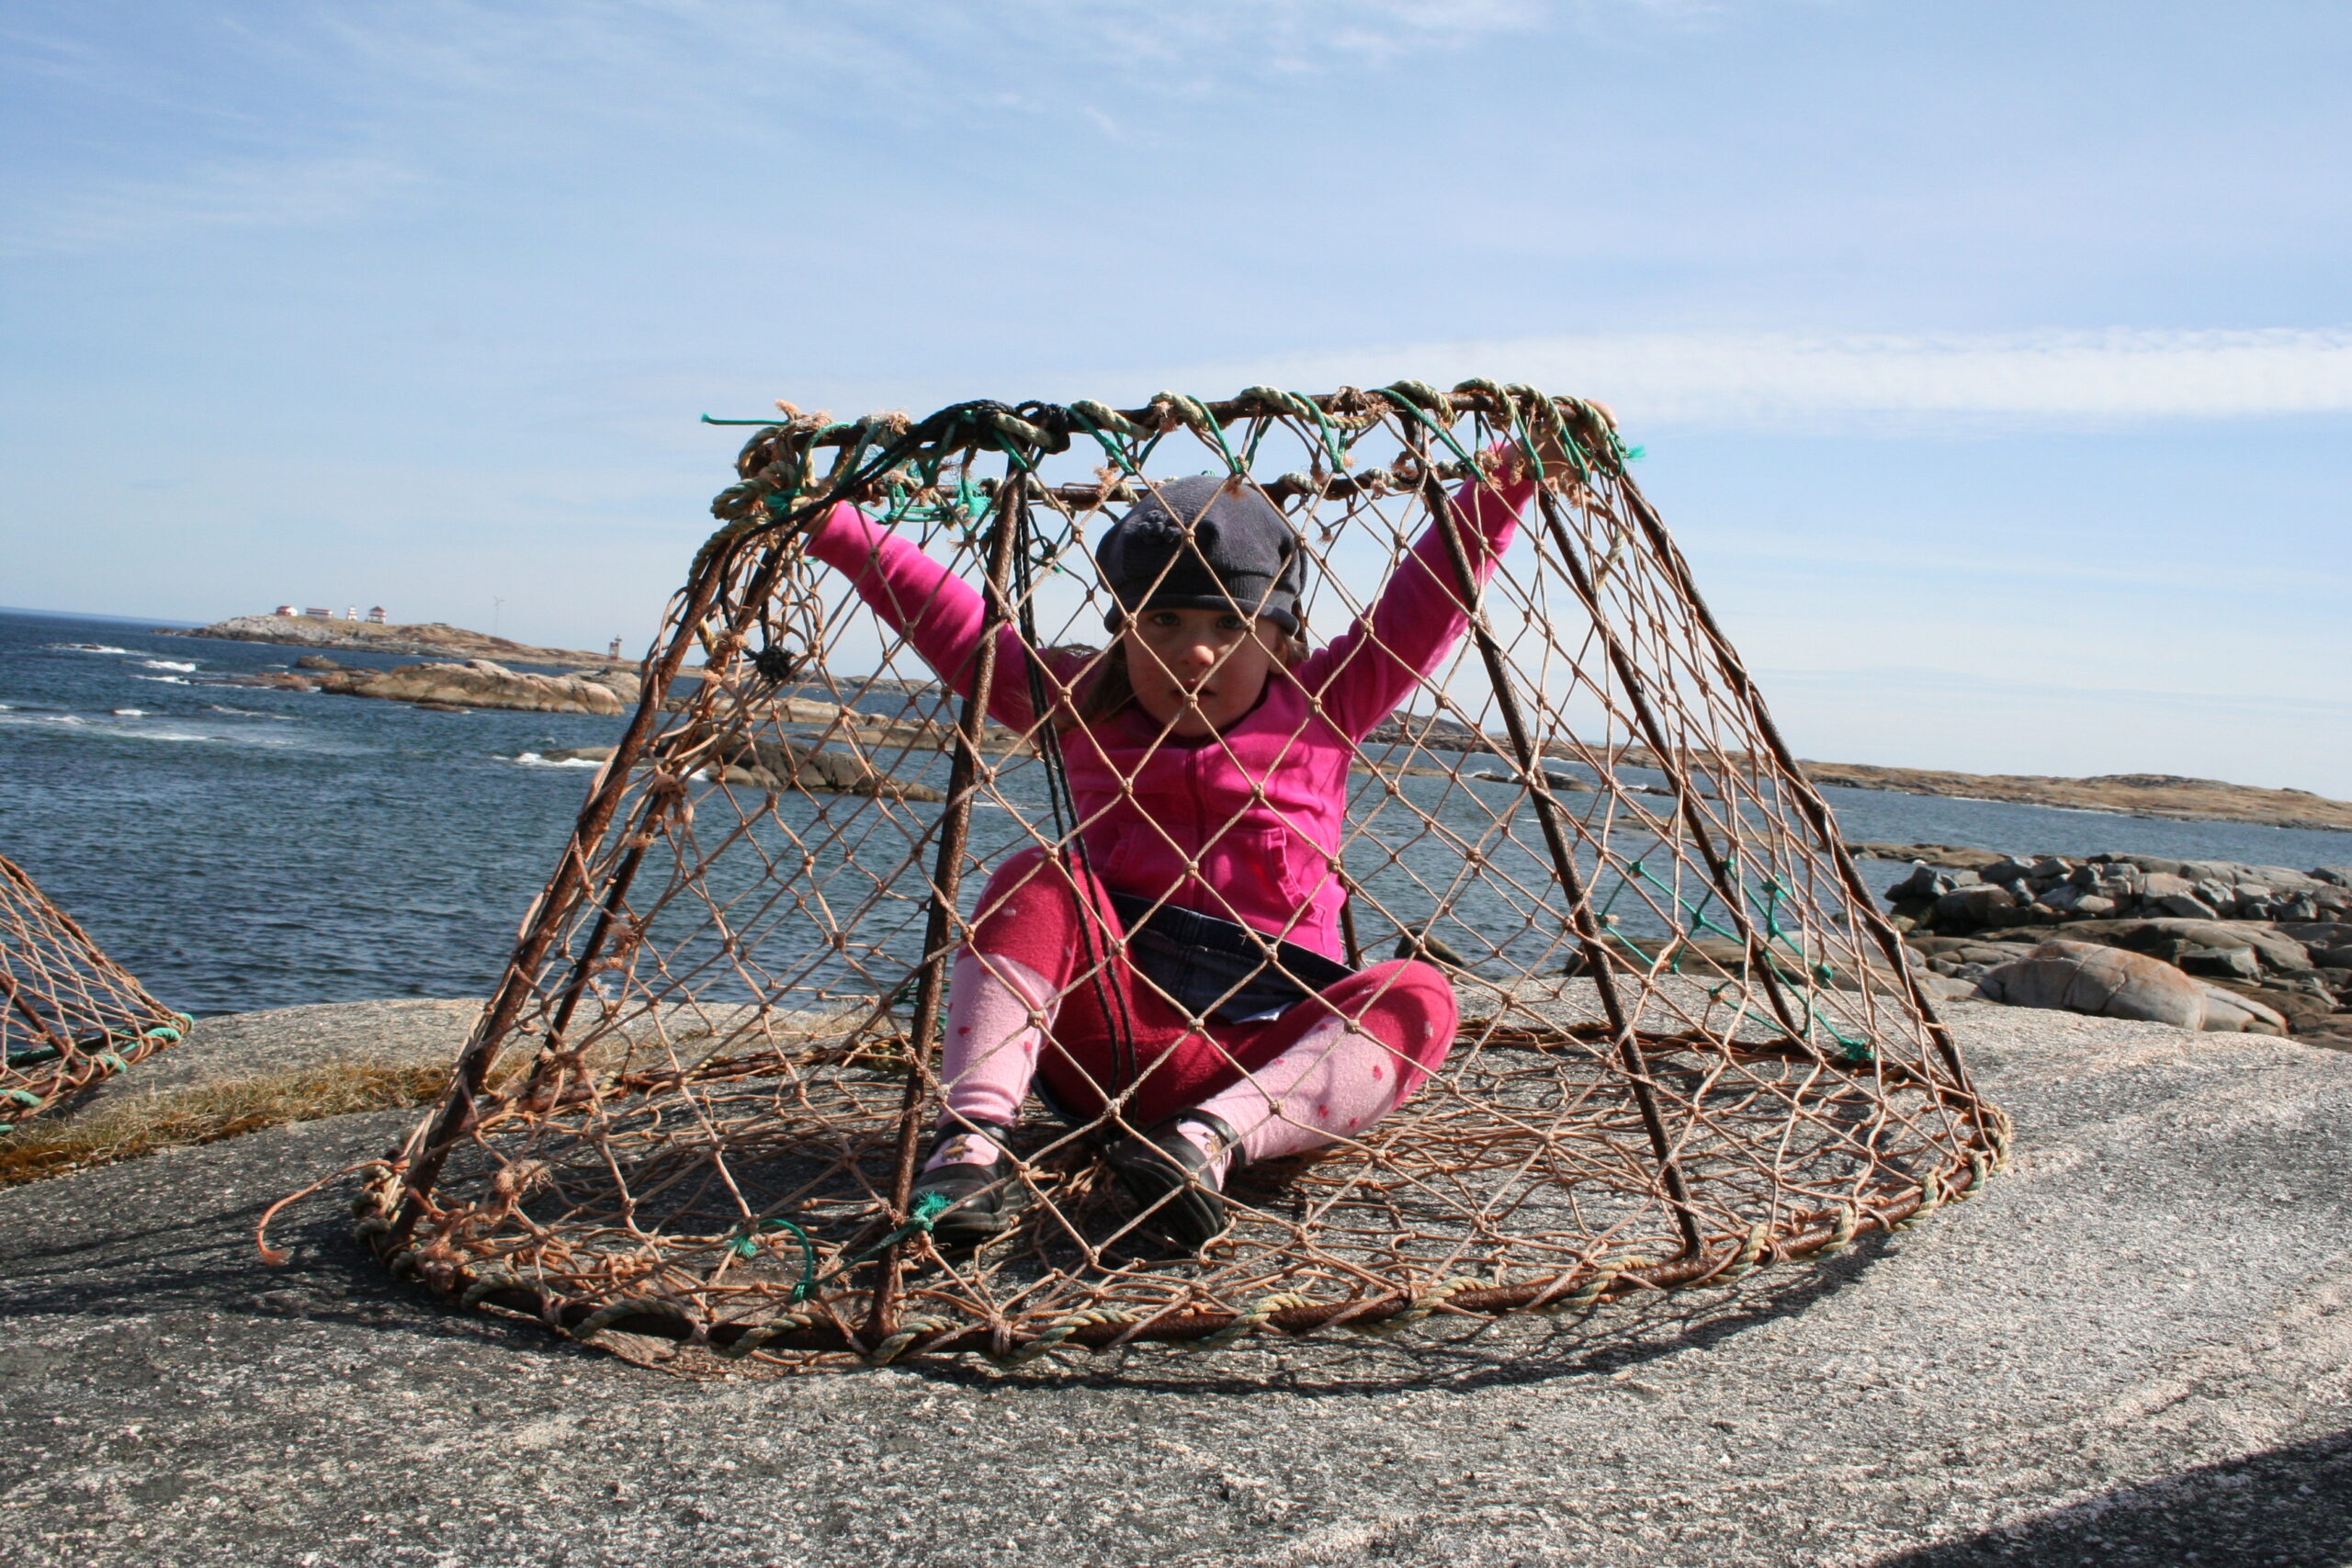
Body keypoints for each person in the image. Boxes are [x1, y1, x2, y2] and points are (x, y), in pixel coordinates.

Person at [804, 444, 1541, 1250]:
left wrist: (1498, 492)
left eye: (1230, 624)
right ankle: (969, 1147)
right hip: (1106, 1036)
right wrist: (838, 527)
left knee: (1422, 996)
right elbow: (958, 627)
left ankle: (1201, 1146)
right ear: (1122, 630)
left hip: (1269, 1052)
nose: (1195, 650)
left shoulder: (1327, 703)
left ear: (1279, 636)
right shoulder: (1082, 706)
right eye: (1164, 619)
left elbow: (1424, 604)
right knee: (1038, 876)